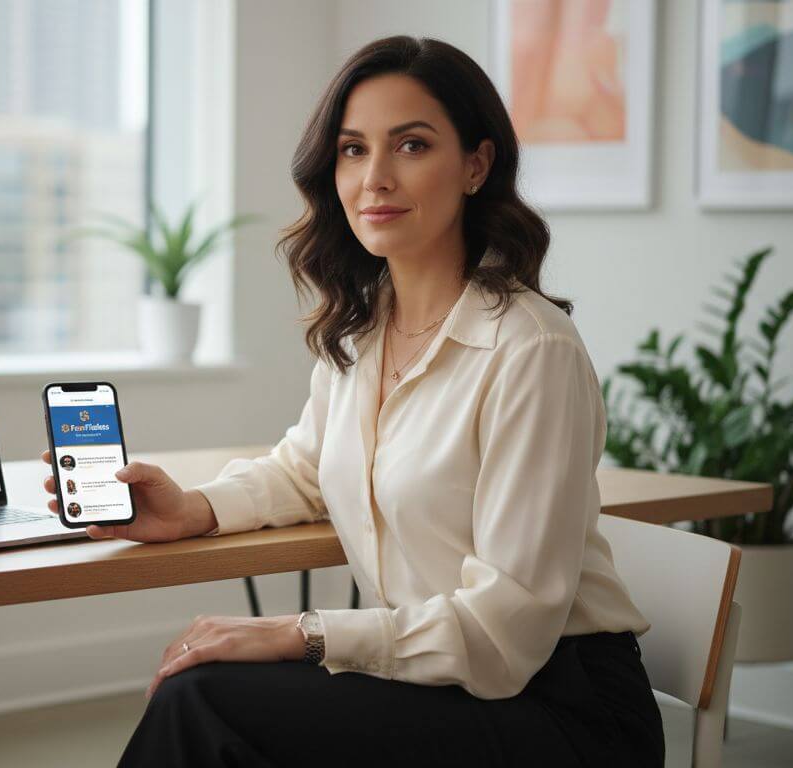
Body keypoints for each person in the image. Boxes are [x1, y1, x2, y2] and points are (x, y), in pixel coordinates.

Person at [40, 36, 664, 767]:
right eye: (353, 150)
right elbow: (306, 470)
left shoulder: (532, 349)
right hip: (443, 683)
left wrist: (301, 632)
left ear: (476, 165)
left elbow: (504, 634)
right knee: (205, 697)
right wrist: (191, 509)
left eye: (411, 145)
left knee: (204, 700)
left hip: (562, 710)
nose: (376, 178)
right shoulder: (364, 333)